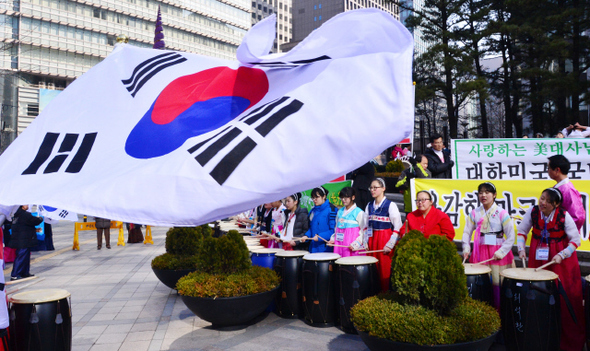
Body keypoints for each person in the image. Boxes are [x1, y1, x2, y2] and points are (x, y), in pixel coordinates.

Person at [516, 188, 585, 351]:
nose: (542, 203)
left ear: (556, 204)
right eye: (541, 198)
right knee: (538, 295)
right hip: (538, 257)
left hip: (561, 262)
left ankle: (566, 342)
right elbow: (521, 231)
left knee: (562, 297)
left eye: (547, 201)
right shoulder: (533, 212)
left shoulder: (563, 215)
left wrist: (562, 254)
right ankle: (539, 338)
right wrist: (520, 249)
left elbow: (576, 240)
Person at [461, 182, 515, 309]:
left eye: (487, 192)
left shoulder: (502, 213)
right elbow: (467, 232)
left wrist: (501, 252)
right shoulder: (474, 213)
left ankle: (498, 314)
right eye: (480, 192)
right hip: (480, 251)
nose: (483, 195)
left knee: (497, 284)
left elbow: (511, 236)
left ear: (494, 195)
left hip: (497, 253)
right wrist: (466, 247)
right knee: (482, 284)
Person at [365, 178, 403, 291]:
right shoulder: (369, 205)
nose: (372, 190)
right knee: (372, 269)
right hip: (372, 240)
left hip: (384, 239)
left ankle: (385, 295)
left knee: (384, 270)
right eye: (371, 188)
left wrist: (390, 244)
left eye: (375, 187)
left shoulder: (390, 205)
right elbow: (366, 226)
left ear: (383, 188)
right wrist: (365, 241)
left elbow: (398, 227)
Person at [548, 154, 585, 231]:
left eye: (549, 168)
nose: (547, 171)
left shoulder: (568, 189)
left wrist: (562, 230)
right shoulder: (559, 187)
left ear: (557, 170)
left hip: (564, 239)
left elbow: (578, 218)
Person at [8, 205, 43, 280]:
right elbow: (35, 221)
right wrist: (40, 218)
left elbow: (25, 226)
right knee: (21, 257)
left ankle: (24, 272)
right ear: (23, 206)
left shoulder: (17, 215)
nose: (28, 206)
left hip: (22, 239)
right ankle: (15, 274)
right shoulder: (25, 214)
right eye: (26, 204)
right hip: (23, 240)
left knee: (25, 257)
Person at [328, 187, 365, 257]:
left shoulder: (359, 212)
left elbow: (364, 232)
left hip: (352, 248)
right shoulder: (340, 212)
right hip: (339, 247)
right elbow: (336, 229)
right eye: (341, 198)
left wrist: (356, 243)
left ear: (353, 197)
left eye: (346, 198)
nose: (343, 200)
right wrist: (333, 239)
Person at [301, 186, 337, 253]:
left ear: (324, 197)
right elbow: (311, 228)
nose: (314, 200)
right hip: (313, 247)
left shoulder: (332, 210)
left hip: (326, 248)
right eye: (313, 198)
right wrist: (307, 235)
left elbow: (334, 231)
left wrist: (320, 236)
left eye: (317, 197)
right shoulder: (312, 211)